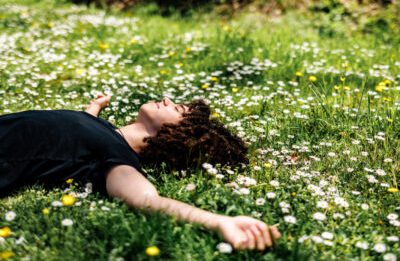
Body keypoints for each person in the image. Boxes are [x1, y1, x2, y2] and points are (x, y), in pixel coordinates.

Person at [0, 95, 281, 251]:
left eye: (177, 108)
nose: (167, 99)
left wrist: (219, 221)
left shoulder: (118, 157)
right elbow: (76, 136)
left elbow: (148, 200)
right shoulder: (109, 133)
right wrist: (93, 109)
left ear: (182, 134)